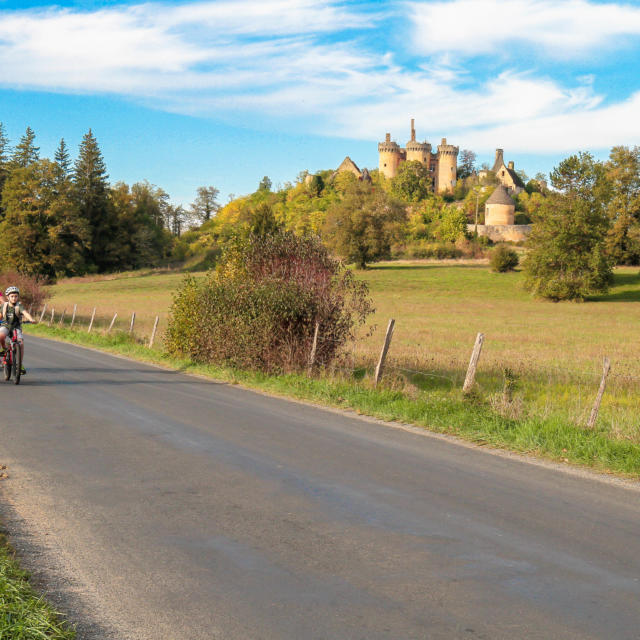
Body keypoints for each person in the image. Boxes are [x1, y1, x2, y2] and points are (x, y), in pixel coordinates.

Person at [0, 286, 35, 374]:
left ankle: (19, 365)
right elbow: (0, 315)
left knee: (21, 343)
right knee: (1, 336)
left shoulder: (19, 306)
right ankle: (4, 348)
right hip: (5, 326)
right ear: (8, 297)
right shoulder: (4, 306)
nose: (14, 298)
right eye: (12, 296)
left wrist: (31, 319)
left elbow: (25, 313)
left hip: (16, 327)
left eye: (16, 296)